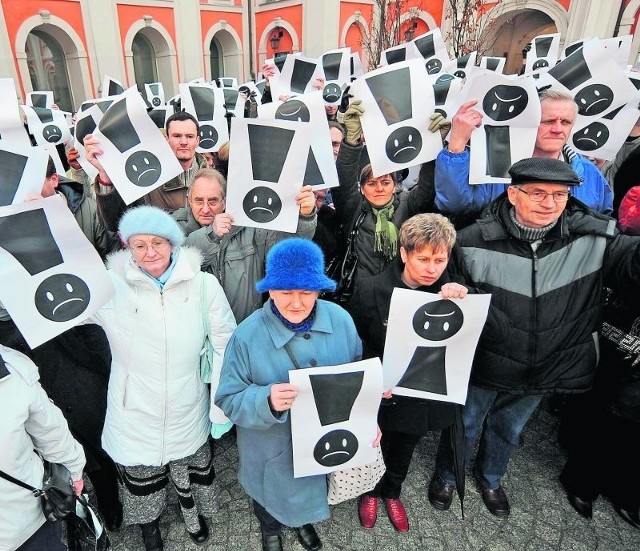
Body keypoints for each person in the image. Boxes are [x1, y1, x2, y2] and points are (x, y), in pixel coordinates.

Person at [427, 157, 640, 518]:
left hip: (548, 364)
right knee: (465, 423)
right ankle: (449, 474)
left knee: (509, 429)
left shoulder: (594, 236)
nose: (549, 203)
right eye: (538, 193)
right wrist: (455, 289)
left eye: (560, 195)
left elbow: (632, 263)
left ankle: (491, 478)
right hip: (487, 358)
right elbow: (455, 286)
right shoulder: (471, 239)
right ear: (512, 194)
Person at [85, 206, 236, 550]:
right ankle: (149, 527)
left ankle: (192, 512)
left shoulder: (203, 285)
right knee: (141, 479)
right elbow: (66, 312)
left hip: (187, 399)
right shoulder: (109, 286)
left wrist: (220, 405)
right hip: (135, 405)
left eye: (158, 242)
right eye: (139, 245)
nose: (150, 252)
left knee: (190, 468)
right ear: (127, 247)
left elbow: (227, 342)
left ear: (173, 243)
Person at [215, 238, 366, 551]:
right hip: (271, 449)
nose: (296, 303)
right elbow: (228, 399)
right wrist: (265, 401)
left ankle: (302, 521)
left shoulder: (341, 320)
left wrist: (368, 415)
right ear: (270, 289)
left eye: (307, 292)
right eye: (286, 292)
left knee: (307, 489)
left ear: (318, 290)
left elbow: (355, 375)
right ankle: (270, 530)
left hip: (318, 443)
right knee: (268, 496)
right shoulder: (247, 335)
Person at [347, 213, 468, 532]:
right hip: (383, 393)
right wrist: (374, 377)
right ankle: (370, 491)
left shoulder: (451, 294)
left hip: (423, 394)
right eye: (423, 258)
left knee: (406, 445)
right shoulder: (371, 289)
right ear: (404, 253)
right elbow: (355, 344)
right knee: (376, 443)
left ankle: (392, 490)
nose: (432, 268)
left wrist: (460, 299)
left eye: (440, 260)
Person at [434, 89, 613, 228]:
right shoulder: (500, 165)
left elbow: (604, 221)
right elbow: (456, 204)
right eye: (549, 121)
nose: (558, 129)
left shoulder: (590, 173)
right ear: (531, 122)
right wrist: (456, 144)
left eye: (565, 122)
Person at [331, 100, 436, 290]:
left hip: (402, 291)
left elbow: (428, 188)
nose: (379, 188)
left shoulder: (408, 204)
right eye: (371, 183)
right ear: (362, 188)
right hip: (360, 295)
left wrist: (433, 148)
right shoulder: (354, 208)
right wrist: (351, 142)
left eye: (385, 182)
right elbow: (343, 182)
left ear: (395, 185)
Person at [185, 175, 317, 324]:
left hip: (244, 329)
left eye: (213, 201)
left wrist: (304, 216)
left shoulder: (250, 229)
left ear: (225, 202)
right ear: (189, 200)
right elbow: (183, 262)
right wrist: (211, 234)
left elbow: (289, 249)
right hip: (197, 332)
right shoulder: (175, 228)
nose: (205, 209)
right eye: (198, 200)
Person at [0, 344, 85, 551]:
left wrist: (74, 469)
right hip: (23, 520)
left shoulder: (15, 375)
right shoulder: (14, 373)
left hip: (23, 524)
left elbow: (51, 433)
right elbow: (51, 433)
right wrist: (74, 473)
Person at [84, 111, 209, 214]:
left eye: (189, 136)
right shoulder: (146, 180)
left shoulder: (215, 180)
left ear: (198, 141)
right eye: (177, 136)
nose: (183, 142)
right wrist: (105, 174)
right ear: (166, 139)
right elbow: (113, 222)